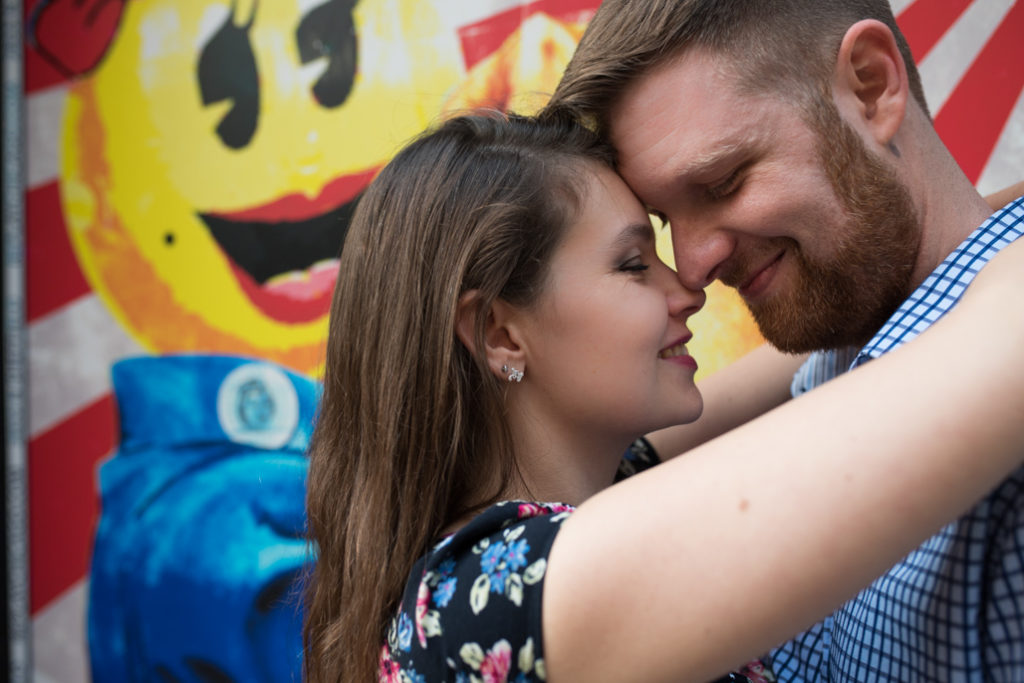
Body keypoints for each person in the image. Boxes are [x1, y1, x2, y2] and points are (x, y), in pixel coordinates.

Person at [302, 109, 1024, 683]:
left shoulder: (588, 506)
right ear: (500, 332)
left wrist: (948, 217)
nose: (688, 289)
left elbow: (853, 308)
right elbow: (993, 349)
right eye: (631, 263)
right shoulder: (493, 604)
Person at [547, 1, 1024, 680]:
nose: (693, 265)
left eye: (722, 181)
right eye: (660, 222)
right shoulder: (836, 364)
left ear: (871, 86)